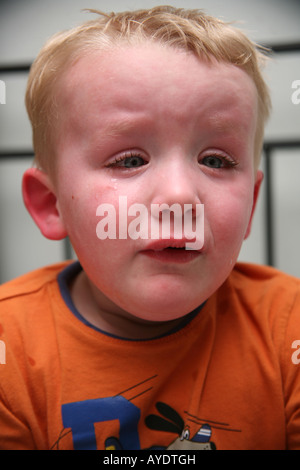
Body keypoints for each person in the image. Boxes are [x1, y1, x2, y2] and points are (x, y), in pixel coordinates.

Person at [0, 5, 299, 451]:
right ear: (51, 205)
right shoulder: (10, 347)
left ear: (251, 205)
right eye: (130, 161)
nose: (180, 196)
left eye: (215, 160)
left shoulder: (288, 327)